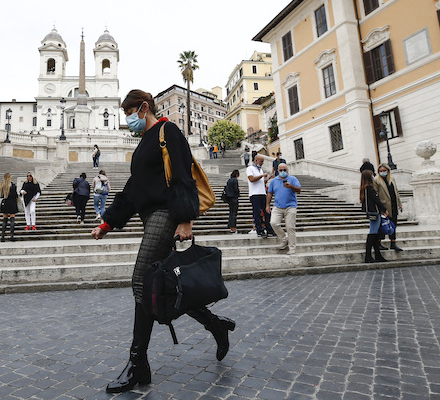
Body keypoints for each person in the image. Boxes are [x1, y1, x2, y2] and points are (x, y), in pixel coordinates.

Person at [91, 89, 235, 393]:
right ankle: (215, 324)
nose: (128, 119)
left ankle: (137, 362)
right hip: (150, 216)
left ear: (144, 108)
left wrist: (185, 219)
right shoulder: (144, 141)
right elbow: (133, 190)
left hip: (166, 214)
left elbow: (183, 175)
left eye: (130, 112)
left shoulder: (167, 131)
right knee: (165, 286)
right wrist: (108, 222)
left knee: (142, 281)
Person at [266, 163, 302, 255]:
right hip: (277, 206)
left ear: (287, 170)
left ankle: (292, 248)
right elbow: (270, 193)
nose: (282, 172)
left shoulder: (293, 179)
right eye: (280, 170)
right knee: (273, 223)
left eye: (284, 170)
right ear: (277, 171)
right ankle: (284, 239)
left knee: (290, 227)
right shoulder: (274, 181)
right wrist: (267, 205)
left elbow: (299, 190)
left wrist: (291, 186)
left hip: (291, 206)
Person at [373, 164, 403, 252]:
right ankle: (379, 242)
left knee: (393, 224)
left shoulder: (392, 179)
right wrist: (380, 207)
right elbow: (376, 194)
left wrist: (399, 203)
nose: (383, 172)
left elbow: (396, 192)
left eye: (384, 170)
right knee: (382, 225)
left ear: (388, 170)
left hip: (393, 205)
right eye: (381, 171)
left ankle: (393, 242)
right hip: (384, 206)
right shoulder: (376, 180)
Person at [360, 170, 389, 263]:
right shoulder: (369, 188)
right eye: (372, 175)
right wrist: (384, 209)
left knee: (375, 233)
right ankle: (368, 256)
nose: (373, 176)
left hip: (373, 212)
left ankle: (377, 254)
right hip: (374, 212)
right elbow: (376, 200)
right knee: (373, 233)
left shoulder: (364, 188)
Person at [247, 154, 276, 238]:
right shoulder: (250, 169)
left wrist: (267, 179)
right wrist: (262, 176)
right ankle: (259, 230)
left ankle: (269, 229)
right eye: (261, 161)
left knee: (267, 212)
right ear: (256, 160)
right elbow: (251, 179)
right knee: (257, 213)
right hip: (254, 194)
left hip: (262, 193)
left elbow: (261, 182)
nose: (262, 163)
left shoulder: (260, 170)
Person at [0, 173, 19, 242]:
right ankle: (11, 236)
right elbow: (15, 195)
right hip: (12, 203)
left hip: (5, 202)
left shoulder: (1, 186)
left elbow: (0, 196)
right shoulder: (13, 185)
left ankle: (2, 236)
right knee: (12, 219)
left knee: (5, 220)